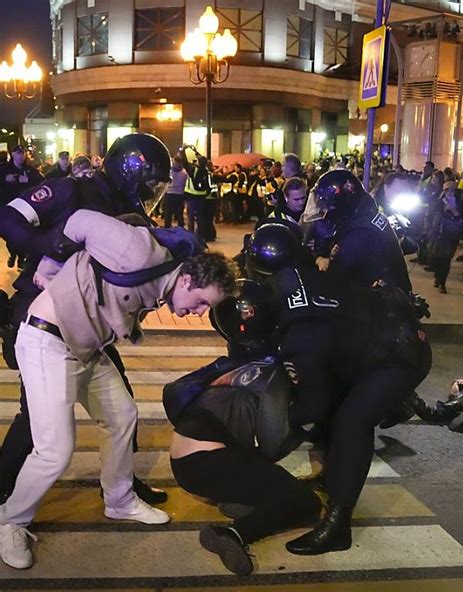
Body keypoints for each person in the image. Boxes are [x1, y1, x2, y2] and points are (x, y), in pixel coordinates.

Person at [0, 208, 237, 570]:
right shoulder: (140, 253)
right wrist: (48, 266)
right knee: (54, 450)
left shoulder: (164, 282)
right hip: (47, 340)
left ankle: (119, 500)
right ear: (187, 279)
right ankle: (11, 521)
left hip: (85, 348)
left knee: (122, 415)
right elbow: (79, 220)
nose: (200, 312)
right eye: (202, 301)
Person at [0, 134, 173, 506]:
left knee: (121, 403)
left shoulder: (131, 210)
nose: (150, 194)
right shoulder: (70, 191)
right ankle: (4, 485)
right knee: (39, 416)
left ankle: (121, 481)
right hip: (41, 309)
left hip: (92, 322)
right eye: (148, 185)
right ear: (129, 172)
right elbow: (9, 216)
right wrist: (50, 251)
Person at [265, 263, 431, 556]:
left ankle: (338, 526)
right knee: (335, 406)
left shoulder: (299, 339)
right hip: (371, 341)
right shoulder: (286, 283)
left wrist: (267, 423)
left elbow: (313, 407)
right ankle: (334, 477)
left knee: (351, 422)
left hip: (400, 355)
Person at [165, 279, 320, 576]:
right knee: (305, 503)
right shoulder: (268, 372)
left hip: (187, 459)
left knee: (268, 485)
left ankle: (239, 497)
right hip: (209, 464)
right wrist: (304, 426)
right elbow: (272, 446)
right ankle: (233, 535)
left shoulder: (235, 362)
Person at [302, 169, 412, 293]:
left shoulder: (360, 232)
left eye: (327, 206)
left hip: (385, 305)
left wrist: (325, 260)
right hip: (385, 295)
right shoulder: (363, 215)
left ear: (342, 204)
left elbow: (335, 275)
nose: (324, 210)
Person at [0, 145, 44, 268]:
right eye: (18, 153)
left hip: (24, 209)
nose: (20, 156)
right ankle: (14, 254)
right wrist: (4, 179)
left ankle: (21, 258)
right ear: (13, 154)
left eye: (22, 153)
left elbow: (42, 183)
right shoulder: (3, 169)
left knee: (22, 234)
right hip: (7, 208)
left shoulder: (29, 170)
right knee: (9, 236)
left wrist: (28, 180)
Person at [426, 181, 463, 294]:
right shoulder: (437, 202)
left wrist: (453, 210)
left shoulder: (460, 204)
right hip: (437, 234)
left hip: (451, 236)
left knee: (446, 259)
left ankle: (442, 282)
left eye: (453, 190)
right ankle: (438, 277)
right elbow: (429, 216)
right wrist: (428, 230)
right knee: (435, 258)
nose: (450, 193)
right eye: (448, 190)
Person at [180, 146, 211, 240]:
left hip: (192, 196)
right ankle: (200, 236)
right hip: (202, 196)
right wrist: (196, 152)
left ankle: (191, 235)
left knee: (191, 218)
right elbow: (203, 160)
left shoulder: (193, 170)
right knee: (201, 217)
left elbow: (184, 162)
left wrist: (183, 150)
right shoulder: (206, 170)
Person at [162, 155, 188, 228]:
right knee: (180, 213)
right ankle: (180, 227)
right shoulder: (184, 172)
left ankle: (167, 227)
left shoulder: (170, 171)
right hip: (180, 194)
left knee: (168, 213)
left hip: (170, 193)